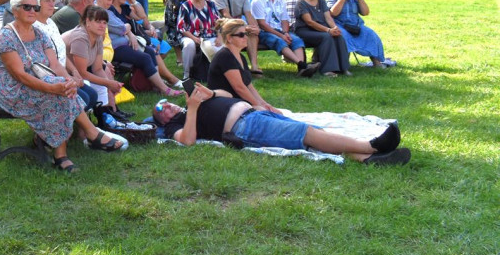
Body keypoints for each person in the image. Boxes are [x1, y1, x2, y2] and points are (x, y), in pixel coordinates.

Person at [0, 0, 124, 173]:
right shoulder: (7, 36)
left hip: (43, 80)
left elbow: (55, 64)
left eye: (35, 7)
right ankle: (83, 139)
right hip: (13, 89)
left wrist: (68, 80)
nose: (33, 10)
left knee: (65, 92)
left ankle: (63, 153)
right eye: (27, 7)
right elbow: (20, 76)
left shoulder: (39, 32)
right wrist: (53, 87)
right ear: (15, 11)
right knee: (59, 96)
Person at [153, 83, 410, 165]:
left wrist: (207, 94)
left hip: (254, 115)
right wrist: (194, 108)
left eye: (168, 102)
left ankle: (367, 159)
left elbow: (228, 96)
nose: (169, 106)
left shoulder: (191, 104)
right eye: (162, 108)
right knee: (305, 133)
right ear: (161, 119)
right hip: (245, 127)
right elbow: (187, 140)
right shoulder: (176, 125)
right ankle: (373, 146)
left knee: (314, 135)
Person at [100, 0, 181, 96]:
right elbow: (121, 28)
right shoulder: (103, 12)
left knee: (150, 51)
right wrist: (128, 29)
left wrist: (130, 28)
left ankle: (156, 85)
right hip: (114, 48)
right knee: (145, 57)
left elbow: (140, 21)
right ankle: (164, 89)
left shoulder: (113, 9)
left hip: (129, 41)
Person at [204, 19, 282, 113]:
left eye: (246, 34)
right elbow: (239, 87)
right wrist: (258, 105)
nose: (246, 37)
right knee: (268, 115)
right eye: (241, 35)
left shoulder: (240, 57)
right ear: (229, 38)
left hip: (237, 102)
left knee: (276, 113)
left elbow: (248, 85)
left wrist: (264, 103)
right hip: (223, 104)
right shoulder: (225, 56)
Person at [250, 0, 320, 77]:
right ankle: (302, 65)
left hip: (280, 31)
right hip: (264, 32)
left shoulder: (280, 0)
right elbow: (262, 24)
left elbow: (284, 20)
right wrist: (281, 36)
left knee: (296, 40)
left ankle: (301, 70)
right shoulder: (258, 0)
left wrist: (286, 33)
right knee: (279, 41)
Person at [62, 4, 123, 118]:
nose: (102, 25)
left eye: (104, 22)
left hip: (78, 73)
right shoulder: (80, 37)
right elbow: (82, 73)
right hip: (64, 73)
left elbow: (97, 68)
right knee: (92, 91)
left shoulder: (98, 36)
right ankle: (86, 130)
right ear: (88, 21)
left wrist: (109, 85)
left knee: (103, 85)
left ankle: (105, 118)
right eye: (98, 21)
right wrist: (109, 83)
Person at [327, 0, 393, 69]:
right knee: (344, 36)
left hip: (356, 25)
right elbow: (333, 13)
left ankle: (376, 62)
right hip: (341, 25)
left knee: (371, 34)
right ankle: (345, 65)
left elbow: (365, 12)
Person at [294, 0, 351, 77]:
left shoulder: (321, 1)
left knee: (339, 36)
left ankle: (344, 68)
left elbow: (328, 18)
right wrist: (328, 30)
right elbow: (309, 22)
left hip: (322, 29)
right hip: (305, 31)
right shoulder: (301, 3)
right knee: (327, 37)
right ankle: (327, 69)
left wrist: (335, 28)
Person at [211, 0, 262, 75]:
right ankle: (238, 66)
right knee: (241, 33)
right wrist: (244, 27)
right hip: (222, 27)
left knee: (252, 34)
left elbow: (248, 14)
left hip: (238, 26)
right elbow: (226, 15)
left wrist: (254, 27)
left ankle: (254, 66)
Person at [177, 0, 220, 79]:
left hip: (210, 35)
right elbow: (181, 27)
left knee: (220, 46)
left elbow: (218, 23)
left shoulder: (211, 4)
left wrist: (219, 37)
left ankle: (217, 74)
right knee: (189, 45)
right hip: (190, 35)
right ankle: (187, 74)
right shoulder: (185, 6)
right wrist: (194, 38)